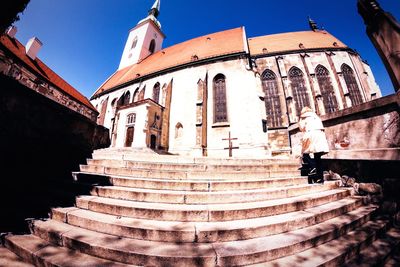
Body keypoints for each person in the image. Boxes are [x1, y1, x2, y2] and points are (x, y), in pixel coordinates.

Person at [299, 107, 329, 184]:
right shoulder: (316, 117)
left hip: (310, 134)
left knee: (306, 153)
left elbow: (302, 128)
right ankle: (320, 179)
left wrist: (300, 120)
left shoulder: (304, 117)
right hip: (320, 135)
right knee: (317, 157)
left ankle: (313, 168)